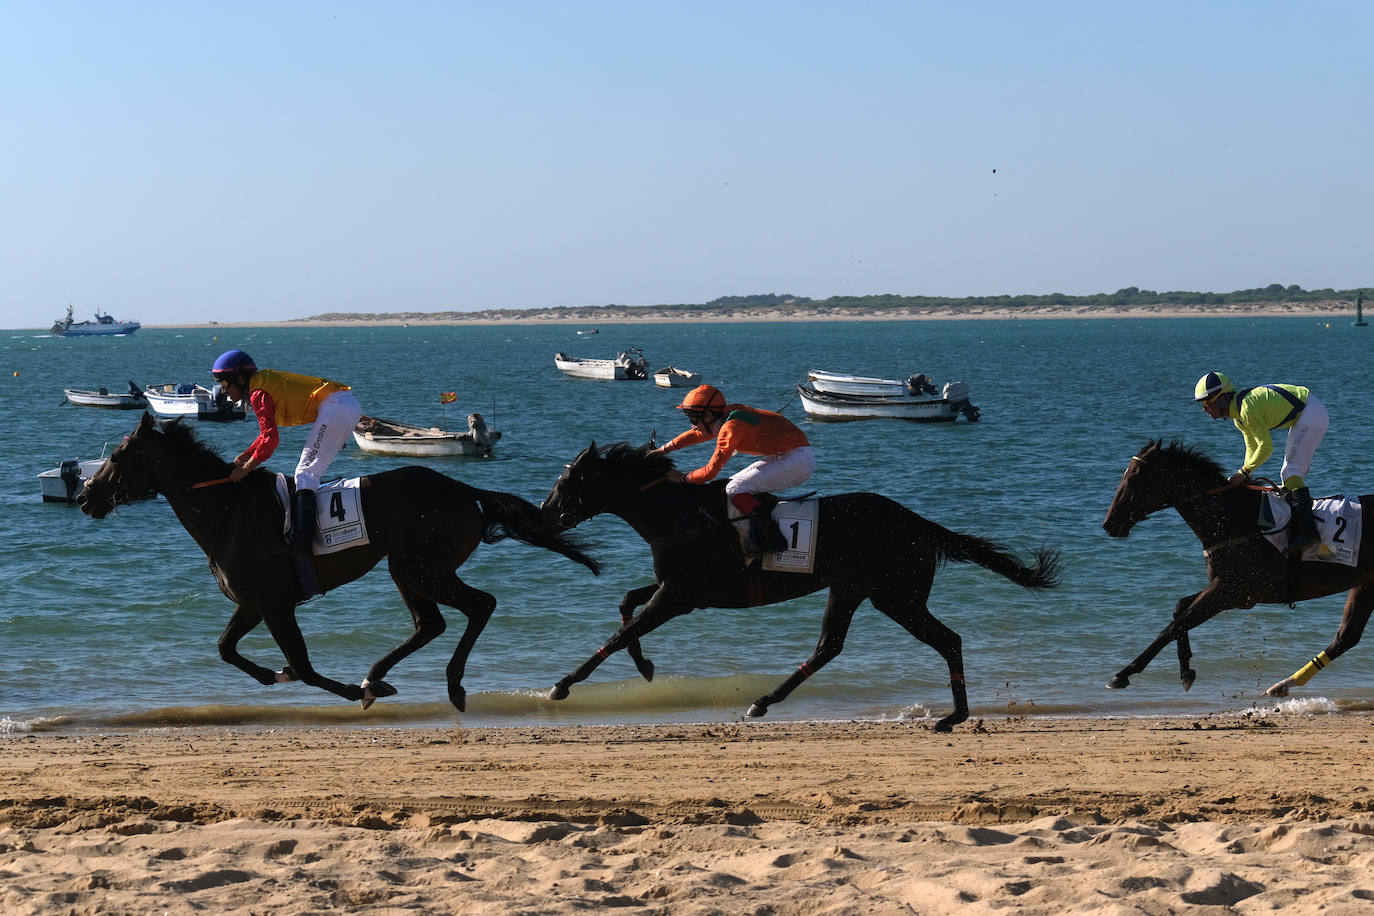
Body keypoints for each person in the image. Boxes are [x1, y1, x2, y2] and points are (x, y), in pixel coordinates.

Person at [211, 350, 363, 597]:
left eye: (225, 383)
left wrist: (247, 469)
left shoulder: (259, 393)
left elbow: (271, 440)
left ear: (240, 379)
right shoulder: (260, 386)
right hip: (341, 404)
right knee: (306, 473)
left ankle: (301, 544)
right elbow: (264, 436)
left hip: (336, 406)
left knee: (304, 474)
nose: (224, 390)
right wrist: (245, 455)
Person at [647, 384, 815, 557]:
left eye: (693, 419)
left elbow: (710, 472)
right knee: (732, 486)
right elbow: (698, 434)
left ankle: (772, 539)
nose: (692, 425)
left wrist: (683, 478)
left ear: (709, 415)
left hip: (798, 460)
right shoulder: (725, 416)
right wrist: (663, 450)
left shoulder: (731, 428)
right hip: (789, 455)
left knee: (734, 488)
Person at [1193, 371, 1329, 555]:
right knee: (1289, 475)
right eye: (1203, 404)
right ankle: (1299, 526)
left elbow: (1266, 447)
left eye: (1207, 403)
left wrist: (1244, 472)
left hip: (1312, 413)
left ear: (1221, 399)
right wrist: (1241, 473)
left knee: (1290, 473)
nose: (1205, 409)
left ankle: (1308, 533)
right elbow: (1252, 448)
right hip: (1305, 415)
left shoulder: (1246, 409)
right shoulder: (1238, 418)